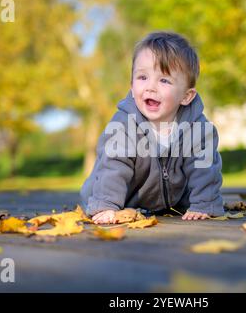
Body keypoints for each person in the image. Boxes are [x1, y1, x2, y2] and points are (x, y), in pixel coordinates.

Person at [80, 31, 224, 224]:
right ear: (131, 86)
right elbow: (113, 168)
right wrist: (107, 205)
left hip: (171, 200)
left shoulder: (197, 128)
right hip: (119, 195)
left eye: (164, 80)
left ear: (186, 96)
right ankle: (103, 201)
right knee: (103, 180)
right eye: (142, 77)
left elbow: (204, 169)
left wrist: (204, 204)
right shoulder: (124, 125)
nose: (151, 87)